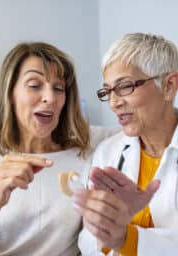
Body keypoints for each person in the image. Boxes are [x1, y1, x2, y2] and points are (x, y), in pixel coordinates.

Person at [0, 42, 114, 256]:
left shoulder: (87, 156)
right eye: (34, 85)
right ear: (10, 94)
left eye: (59, 88)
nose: (50, 98)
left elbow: (133, 130)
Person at [73, 33, 178, 255]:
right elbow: (88, 243)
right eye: (108, 91)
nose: (114, 103)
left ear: (168, 86)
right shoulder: (109, 152)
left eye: (125, 87)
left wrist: (126, 236)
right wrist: (110, 225)